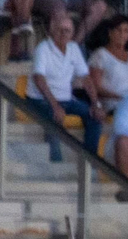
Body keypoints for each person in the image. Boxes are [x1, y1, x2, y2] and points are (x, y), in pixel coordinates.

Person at [26, 12, 102, 163]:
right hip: (40, 100)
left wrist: (96, 104)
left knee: (95, 117)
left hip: (66, 100)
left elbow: (86, 78)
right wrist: (55, 106)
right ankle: (57, 166)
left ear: (72, 33)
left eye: (67, 30)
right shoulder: (43, 48)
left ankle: (89, 163)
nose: (63, 33)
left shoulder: (73, 48)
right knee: (54, 119)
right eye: (60, 30)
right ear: (52, 31)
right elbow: (39, 78)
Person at [88, 15, 128, 113]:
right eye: (119, 30)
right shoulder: (100, 55)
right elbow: (95, 87)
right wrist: (119, 97)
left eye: (126, 31)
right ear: (110, 33)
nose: (122, 34)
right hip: (114, 105)